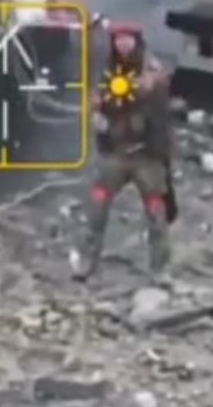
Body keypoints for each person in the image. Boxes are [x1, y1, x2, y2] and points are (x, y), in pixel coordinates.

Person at [72, 22, 177, 283]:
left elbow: (155, 103)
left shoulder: (152, 72)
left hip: (146, 155)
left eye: (127, 39)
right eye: (118, 39)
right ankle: (87, 261)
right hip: (115, 153)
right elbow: (97, 98)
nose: (123, 44)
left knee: (156, 211)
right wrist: (95, 114)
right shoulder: (107, 69)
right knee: (97, 205)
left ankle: (160, 269)